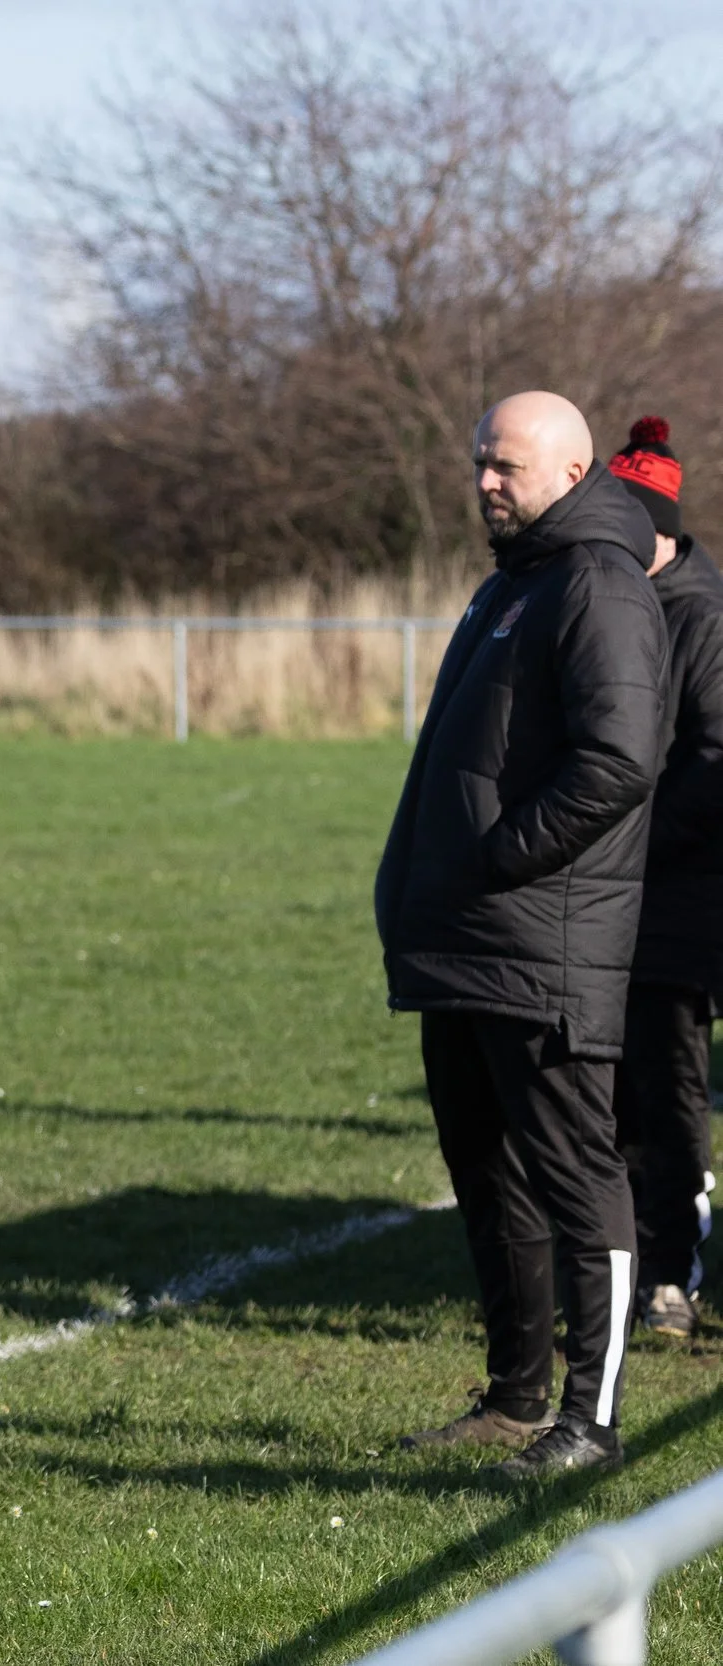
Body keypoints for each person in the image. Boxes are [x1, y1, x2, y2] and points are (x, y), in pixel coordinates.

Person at [376, 391, 667, 1479]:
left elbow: (617, 760)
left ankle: (586, 1426)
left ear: (572, 467)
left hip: (537, 942)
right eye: (476, 465)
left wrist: (499, 857)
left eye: (503, 466)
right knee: (485, 1171)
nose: (484, 482)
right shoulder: (519, 581)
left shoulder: (594, 583)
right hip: (466, 944)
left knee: (573, 1174)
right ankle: (510, 1400)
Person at [606, 416, 721, 1340]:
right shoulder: (613, 600)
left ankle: (672, 1272)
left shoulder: (703, 616)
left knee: (668, 1090)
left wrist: (631, 839)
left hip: (678, 901)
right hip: (610, 894)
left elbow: (714, 754)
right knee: (609, 1092)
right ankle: (618, 1263)